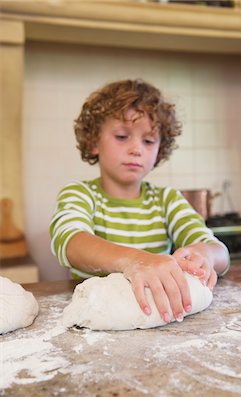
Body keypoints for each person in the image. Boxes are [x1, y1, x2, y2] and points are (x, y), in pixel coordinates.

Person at [50, 79, 230, 324]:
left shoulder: (167, 200)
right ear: (94, 142)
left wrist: (203, 256)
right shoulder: (80, 195)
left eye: (148, 141)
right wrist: (134, 261)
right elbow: (70, 242)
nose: (136, 149)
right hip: (97, 319)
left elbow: (220, 252)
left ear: (159, 150)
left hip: (161, 317)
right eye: (122, 136)